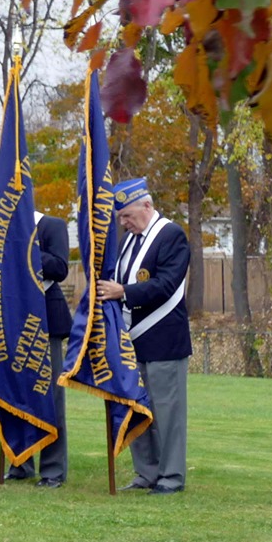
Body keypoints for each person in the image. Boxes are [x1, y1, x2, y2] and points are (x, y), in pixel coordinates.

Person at [98, 178, 191, 493]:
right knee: (137, 407)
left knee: (167, 411)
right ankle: (146, 473)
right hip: (130, 340)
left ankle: (171, 476)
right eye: (120, 217)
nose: (123, 222)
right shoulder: (128, 241)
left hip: (164, 338)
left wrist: (123, 292)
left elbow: (166, 284)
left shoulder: (171, 235)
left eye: (127, 215)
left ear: (147, 205)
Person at [6, 211, 71, 487]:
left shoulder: (50, 225)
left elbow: (60, 267)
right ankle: (20, 461)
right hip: (10, 321)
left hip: (44, 320)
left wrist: (23, 249)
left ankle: (53, 468)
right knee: (13, 395)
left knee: (50, 397)